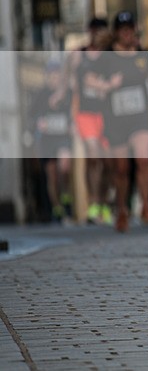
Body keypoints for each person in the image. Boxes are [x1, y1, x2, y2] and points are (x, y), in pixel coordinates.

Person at [87, 11, 148, 232]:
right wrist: (108, 86)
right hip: (116, 119)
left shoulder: (142, 55)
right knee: (121, 168)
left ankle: (146, 206)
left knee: (144, 160)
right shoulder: (107, 56)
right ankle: (121, 210)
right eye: (123, 30)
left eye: (130, 29)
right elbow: (89, 80)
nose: (127, 34)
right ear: (116, 33)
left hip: (140, 117)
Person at [69, 17, 113, 225]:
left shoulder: (110, 53)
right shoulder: (79, 54)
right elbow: (73, 86)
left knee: (106, 161)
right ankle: (93, 203)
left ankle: (104, 201)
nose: (97, 33)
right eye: (94, 29)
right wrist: (72, 114)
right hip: (85, 112)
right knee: (93, 155)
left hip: (105, 113)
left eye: (101, 30)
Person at [30, 59, 73, 223]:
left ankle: (67, 199)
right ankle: (57, 208)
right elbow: (31, 116)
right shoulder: (40, 94)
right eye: (51, 74)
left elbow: (73, 111)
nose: (54, 78)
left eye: (57, 74)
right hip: (47, 140)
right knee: (52, 176)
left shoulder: (67, 93)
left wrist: (71, 123)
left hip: (62, 137)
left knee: (65, 167)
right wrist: (38, 123)